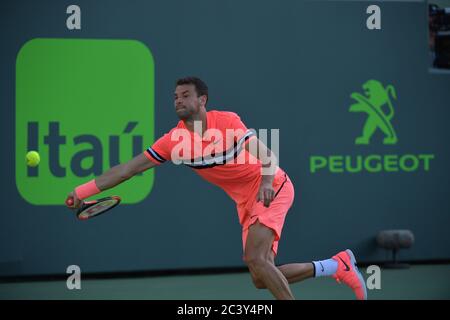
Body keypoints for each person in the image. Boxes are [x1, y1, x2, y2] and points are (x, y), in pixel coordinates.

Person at [66, 77, 367, 300]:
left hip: (271, 185)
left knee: (255, 259)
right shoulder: (173, 141)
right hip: (245, 202)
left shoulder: (228, 122)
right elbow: (127, 170)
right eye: (175, 97)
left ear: (202, 100)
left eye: (185, 96)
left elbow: (268, 156)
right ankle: (335, 265)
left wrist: (264, 182)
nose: (178, 101)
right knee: (261, 277)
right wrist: (81, 192)